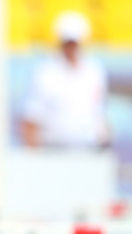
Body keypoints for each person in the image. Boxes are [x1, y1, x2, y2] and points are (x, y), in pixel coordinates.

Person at [20, 11, 110, 149]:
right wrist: (33, 158)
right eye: (68, 42)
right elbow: (31, 118)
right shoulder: (45, 73)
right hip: (52, 152)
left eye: (74, 42)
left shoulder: (94, 71)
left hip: (88, 151)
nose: (71, 47)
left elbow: (98, 113)